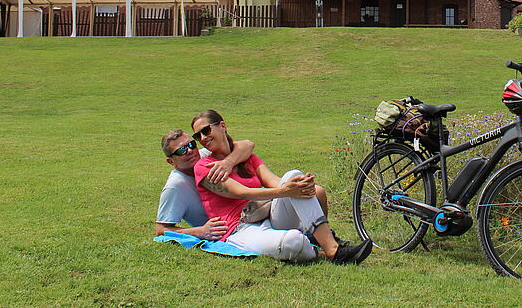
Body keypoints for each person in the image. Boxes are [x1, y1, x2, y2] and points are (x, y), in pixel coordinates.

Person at [191, 109, 372, 265]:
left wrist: (299, 185)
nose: (203, 138)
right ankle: (319, 248)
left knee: (295, 176)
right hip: (239, 228)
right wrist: (285, 191)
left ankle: (333, 250)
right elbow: (240, 192)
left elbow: (275, 181)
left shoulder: (245, 157)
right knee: (293, 241)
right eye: (198, 136)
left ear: (222, 126)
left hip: (268, 215)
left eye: (206, 130)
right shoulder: (204, 167)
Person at [155, 129, 255, 240]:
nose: (190, 151)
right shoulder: (175, 186)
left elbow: (247, 144)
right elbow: (161, 229)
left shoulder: (202, 156)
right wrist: (199, 231)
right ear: (171, 161)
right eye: (181, 151)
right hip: (233, 228)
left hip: (250, 208)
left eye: (191, 144)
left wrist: (228, 162)